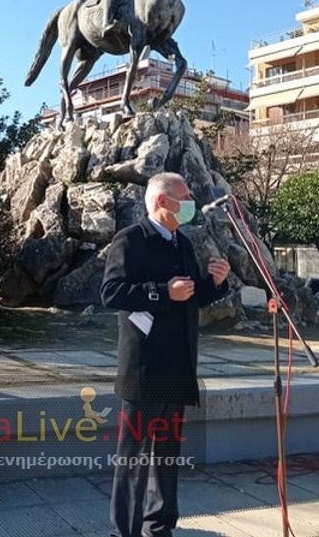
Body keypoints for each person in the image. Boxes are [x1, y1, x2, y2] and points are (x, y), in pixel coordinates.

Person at [101, 172, 230, 537]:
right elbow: (111, 293)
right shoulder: (130, 241)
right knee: (133, 459)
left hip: (178, 364)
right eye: (184, 197)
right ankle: (124, 531)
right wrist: (161, 291)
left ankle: (159, 527)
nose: (190, 202)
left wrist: (216, 283)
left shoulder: (182, 243)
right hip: (145, 367)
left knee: (167, 457)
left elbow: (193, 295)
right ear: (162, 201)